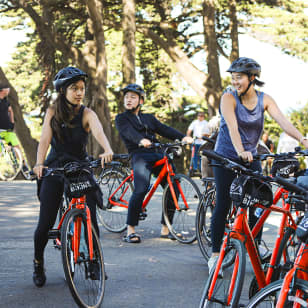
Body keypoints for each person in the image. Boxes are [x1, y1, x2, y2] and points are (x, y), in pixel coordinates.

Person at [207, 57, 308, 274]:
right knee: (224, 203)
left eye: (239, 78)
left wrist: (303, 140)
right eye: (233, 78)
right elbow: (232, 127)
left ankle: (255, 244)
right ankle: (215, 255)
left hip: (250, 157)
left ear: (253, 78)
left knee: (258, 203)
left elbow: (283, 121)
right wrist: (240, 150)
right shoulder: (228, 97)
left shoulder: (264, 99)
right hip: (225, 156)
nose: (235, 82)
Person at [32, 67, 113, 287]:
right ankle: (38, 262)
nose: (79, 93)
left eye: (82, 89)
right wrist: (39, 164)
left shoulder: (87, 113)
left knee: (90, 216)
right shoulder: (52, 111)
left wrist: (107, 149)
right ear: (62, 90)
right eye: (74, 88)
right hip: (55, 168)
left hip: (79, 167)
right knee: (45, 224)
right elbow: (44, 141)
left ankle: (95, 260)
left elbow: (98, 132)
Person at [115, 84, 193, 243]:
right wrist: (140, 140)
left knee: (174, 187)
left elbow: (164, 129)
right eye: (127, 97)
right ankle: (130, 229)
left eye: (133, 97)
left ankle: (166, 228)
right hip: (139, 154)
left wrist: (182, 137)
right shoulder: (121, 118)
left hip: (157, 153)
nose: (129, 100)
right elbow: (127, 133)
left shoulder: (148, 118)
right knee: (141, 189)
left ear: (141, 101)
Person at [0, 82, 28, 172]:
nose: (9, 90)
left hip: (7, 129)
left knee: (16, 146)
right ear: (2, 90)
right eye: (7, 88)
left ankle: (24, 165)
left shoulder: (5, 101)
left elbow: (10, 111)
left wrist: (12, 122)